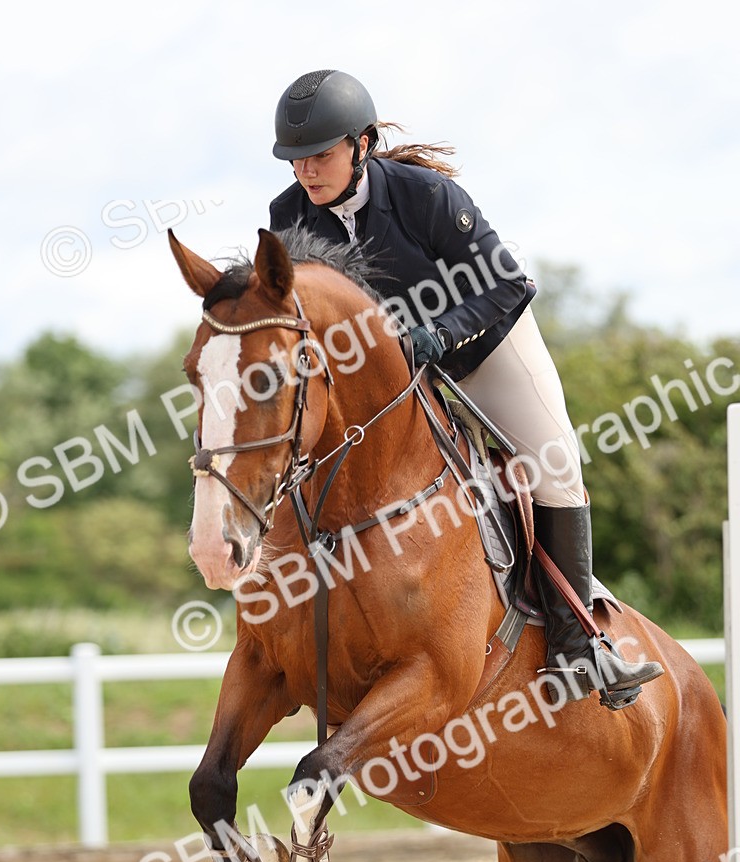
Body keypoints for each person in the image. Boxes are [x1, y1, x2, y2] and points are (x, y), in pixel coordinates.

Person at [268, 68, 663, 706]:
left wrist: (437, 334)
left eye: (320, 155)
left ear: (361, 144)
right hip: (401, 378)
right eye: (295, 160)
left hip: (487, 344)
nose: (307, 172)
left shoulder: (426, 197)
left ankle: (576, 643)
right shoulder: (287, 216)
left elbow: (508, 284)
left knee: (553, 464)